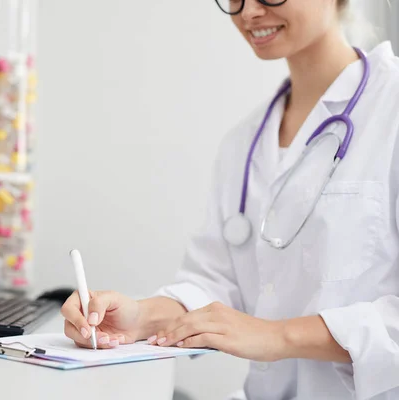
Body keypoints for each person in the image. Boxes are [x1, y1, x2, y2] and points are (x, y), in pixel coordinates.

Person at [61, 0, 399, 398]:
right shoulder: (245, 142)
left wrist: (278, 335)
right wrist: (140, 317)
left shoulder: (390, 110)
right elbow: (215, 281)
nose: (248, 12)